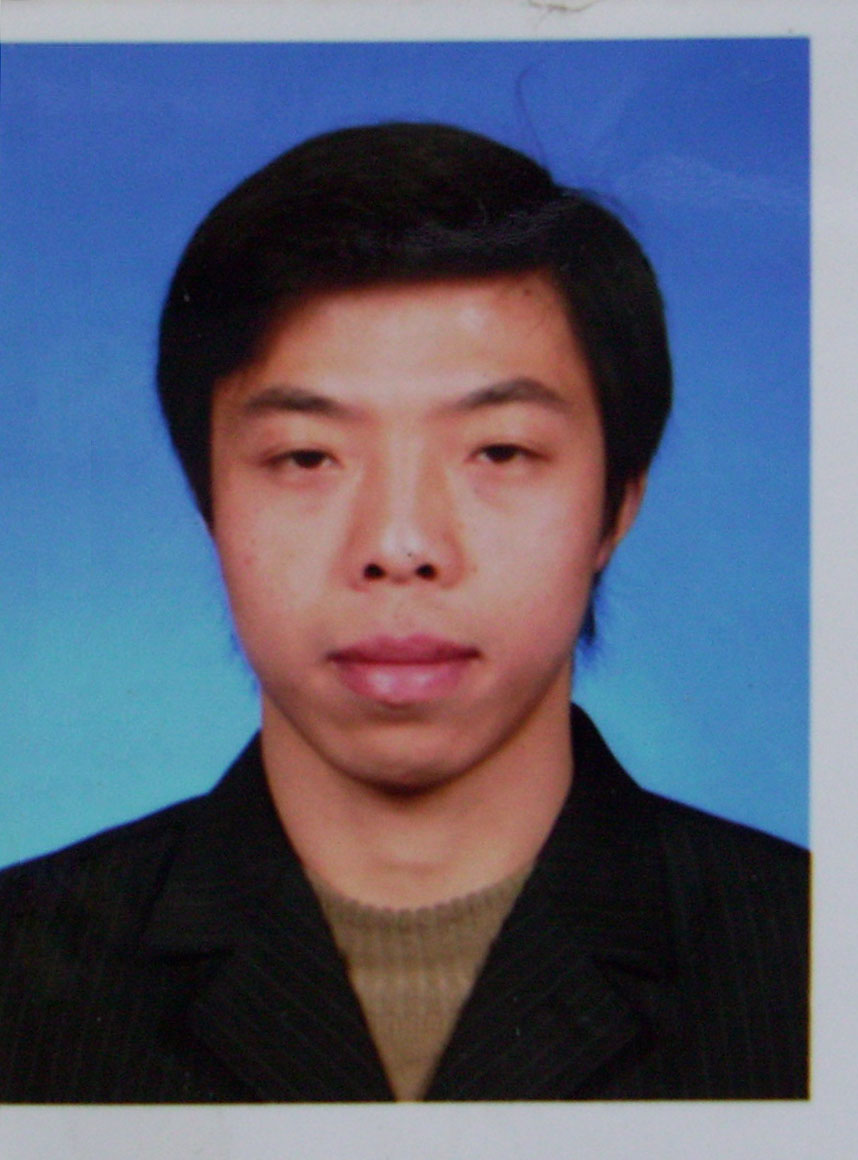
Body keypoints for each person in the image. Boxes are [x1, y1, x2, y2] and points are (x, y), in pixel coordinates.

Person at [0, 122, 808, 1102]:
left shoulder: (811, 962)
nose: (399, 542)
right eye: (307, 457)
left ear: (616, 505)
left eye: (499, 451)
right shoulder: (21, 975)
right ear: (210, 502)